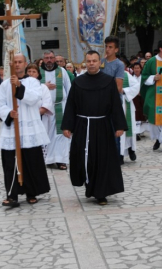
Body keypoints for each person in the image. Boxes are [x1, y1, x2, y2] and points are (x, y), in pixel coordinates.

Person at [61, 50, 127, 206]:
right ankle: (89, 186)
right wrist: (67, 126)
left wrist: (119, 126)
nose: (91, 63)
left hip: (102, 125)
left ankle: (101, 192)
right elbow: (71, 105)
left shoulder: (109, 81)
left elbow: (115, 105)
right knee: (86, 158)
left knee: (102, 159)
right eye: (89, 61)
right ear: (85, 62)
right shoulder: (78, 82)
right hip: (83, 125)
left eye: (94, 61)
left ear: (99, 62)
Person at [0, 53, 51, 207]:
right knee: (10, 163)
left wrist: (19, 86)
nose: (18, 65)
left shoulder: (33, 82)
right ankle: (12, 195)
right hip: (12, 129)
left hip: (29, 130)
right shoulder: (5, 84)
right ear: (11, 64)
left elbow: (33, 99)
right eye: (15, 62)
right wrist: (8, 113)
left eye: (20, 62)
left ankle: (31, 193)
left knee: (31, 162)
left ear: (26, 64)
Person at [40, 50, 72, 170]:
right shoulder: (38, 72)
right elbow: (32, 88)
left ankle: (60, 160)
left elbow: (69, 88)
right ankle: (48, 159)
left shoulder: (62, 71)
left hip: (60, 107)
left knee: (60, 135)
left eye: (51, 58)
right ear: (43, 59)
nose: (49, 60)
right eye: (47, 58)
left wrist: (70, 107)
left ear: (54, 59)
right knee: (46, 134)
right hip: (45, 109)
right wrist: (44, 86)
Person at [120, 69, 139, 164]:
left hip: (125, 103)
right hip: (111, 104)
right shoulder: (105, 73)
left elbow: (136, 86)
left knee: (128, 129)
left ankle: (131, 149)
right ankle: (119, 155)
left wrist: (124, 91)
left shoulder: (126, 74)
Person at [131, 62, 148, 140]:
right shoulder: (131, 78)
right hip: (134, 98)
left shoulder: (144, 78)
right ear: (133, 69)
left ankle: (142, 131)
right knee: (136, 113)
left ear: (141, 69)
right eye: (135, 68)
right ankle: (136, 132)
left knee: (143, 113)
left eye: (138, 68)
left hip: (143, 97)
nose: (136, 69)